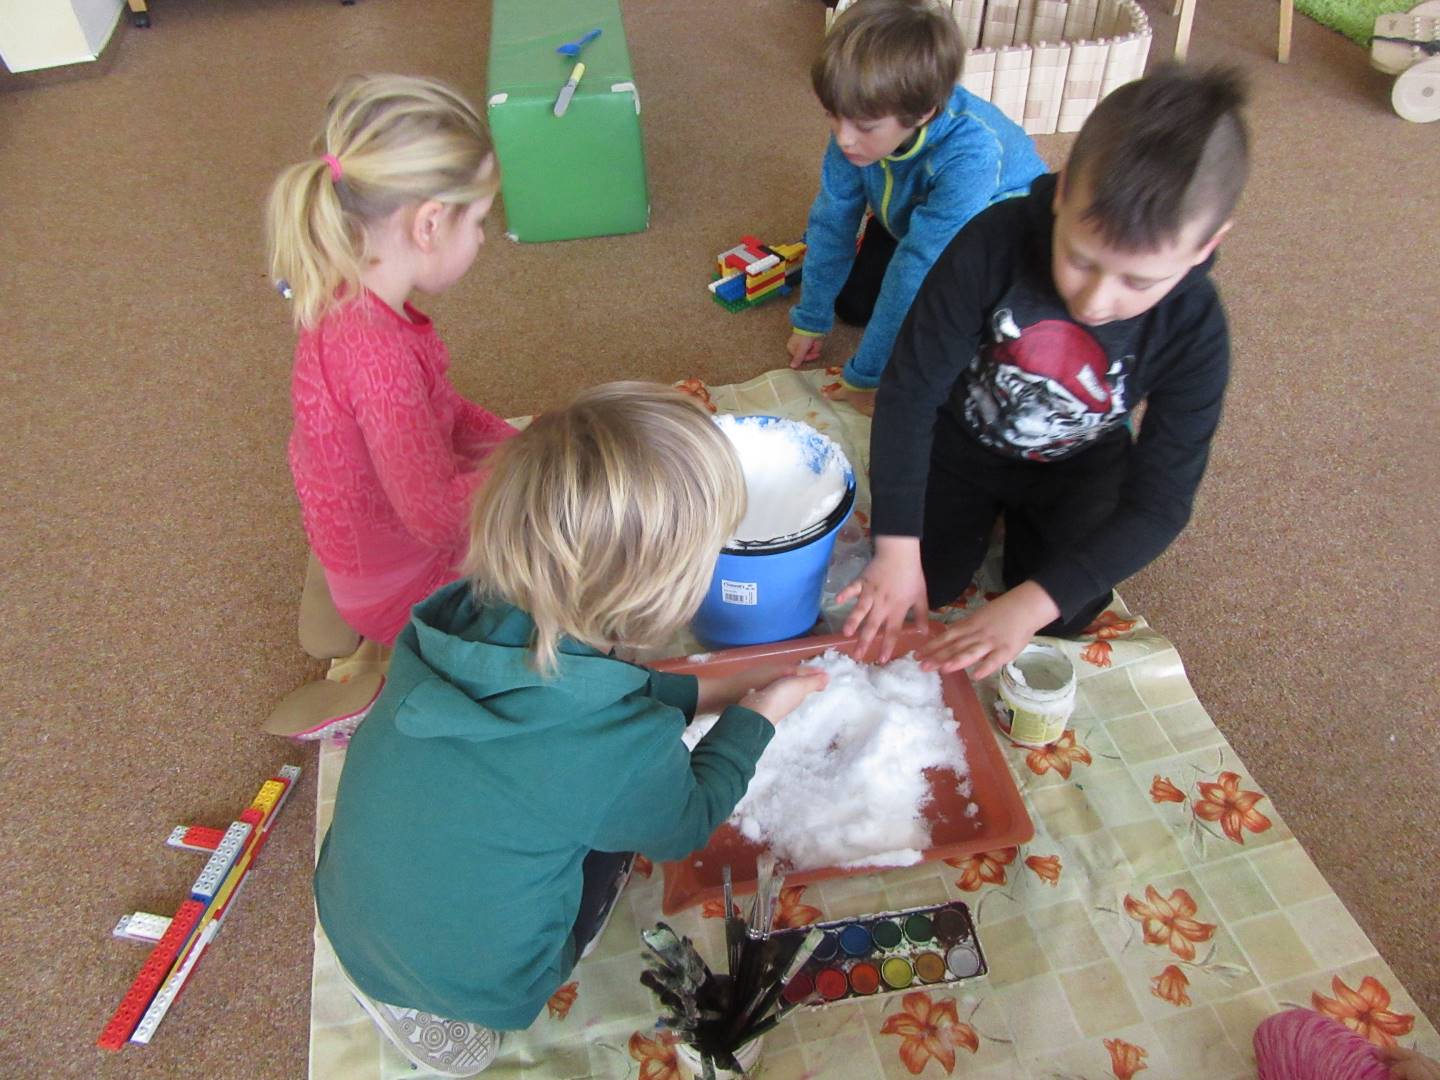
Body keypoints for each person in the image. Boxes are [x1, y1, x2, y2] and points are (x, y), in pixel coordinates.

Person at [313, 383, 828, 1076]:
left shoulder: (465, 614)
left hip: (350, 907)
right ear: (661, 590)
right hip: (473, 979)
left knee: (550, 813)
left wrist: (719, 688)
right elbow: (682, 823)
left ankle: (404, 981)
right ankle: (428, 1011)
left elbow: (583, 699)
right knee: (617, 845)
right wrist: (757, 718)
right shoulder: (617, 750)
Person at [839, 65, 1251, 678]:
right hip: (962, 439)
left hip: (1080, 462)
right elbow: (910, 390)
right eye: (1080, 260)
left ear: (1206, 246)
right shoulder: (992, 241)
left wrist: (1030, 606)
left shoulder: (1196, 328)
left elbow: (1161, 503)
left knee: (1065, 612)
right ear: (1061, 196)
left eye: (1139, 281)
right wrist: (897, 549)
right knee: (926, 581)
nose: (1095, 301)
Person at [265, 74, 519, 660]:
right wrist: (532, 475)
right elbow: (436, 518)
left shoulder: (353, 295)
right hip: (404, 592)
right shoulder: (377, 354)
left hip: (367, 545)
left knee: (519, 474)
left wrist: (518, 445)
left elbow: (444, 407)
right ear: (428, 225)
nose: (481, 238)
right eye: (477, 221)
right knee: (572, 560)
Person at [786, 0, 1046, 415]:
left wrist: (867, 377)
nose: (843, 138)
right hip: (911, 213)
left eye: (864, 127)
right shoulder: (853, 130)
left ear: (922, 113)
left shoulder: (971, 153)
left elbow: (916, 266)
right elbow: (832, 220)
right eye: (832, 116)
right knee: (853, 306)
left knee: (956, 338)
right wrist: (810, 318)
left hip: (995, 230)